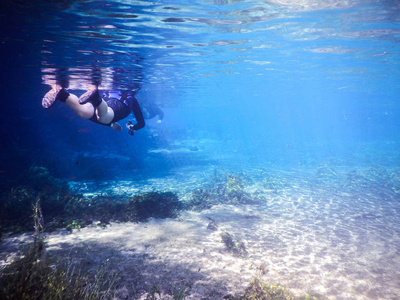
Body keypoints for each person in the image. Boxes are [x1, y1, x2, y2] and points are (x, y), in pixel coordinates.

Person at [42, 84, 145, 135]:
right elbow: (141, 123)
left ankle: (60, 92)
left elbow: (109, 122)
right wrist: (132, 127)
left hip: (104, 101)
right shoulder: (131, 98)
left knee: (82, 112)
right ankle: (96, 98)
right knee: (103, 118)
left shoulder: (108, 89)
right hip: (117, 105)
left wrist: (112, 124)